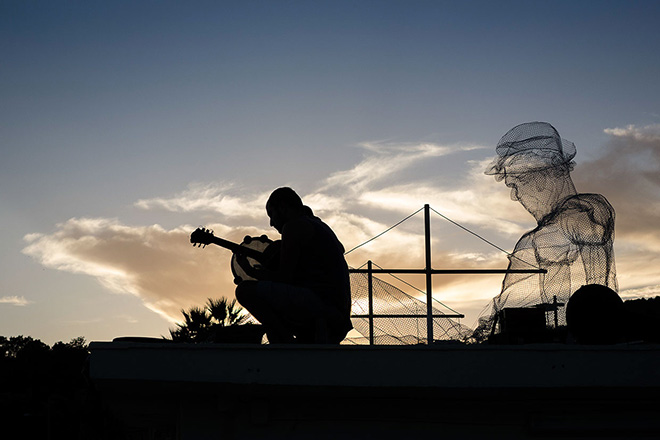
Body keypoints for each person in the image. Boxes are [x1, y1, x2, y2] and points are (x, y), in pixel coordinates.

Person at [484, 122, 617, 329]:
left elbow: (593, 229)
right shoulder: (543, 234)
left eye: (518, 184)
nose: (516, 196)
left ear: (541, 180)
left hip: (588, 334)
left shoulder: (584, 211)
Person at [234, 187, 352, 343]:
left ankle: (287, 343)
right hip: (339, 315)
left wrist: (250, 271)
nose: (271, 223)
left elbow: (284, 277)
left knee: (244, 291)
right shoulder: (319, 225)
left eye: (272, 214)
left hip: (321, 307)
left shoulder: (294, 226)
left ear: (283, 207)